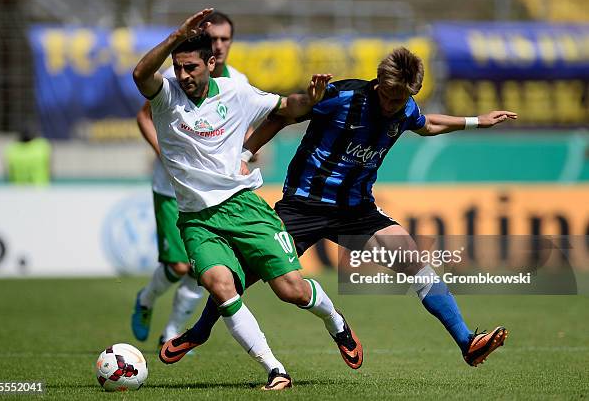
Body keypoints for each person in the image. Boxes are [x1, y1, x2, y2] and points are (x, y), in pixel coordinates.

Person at [172, 47, 516, 368]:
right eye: (389, 96)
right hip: (304, 206)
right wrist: (245, 154)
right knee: (244, 273)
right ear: (379, 82)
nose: (394, 105)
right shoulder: (341, 97)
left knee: (415, 262)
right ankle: (200, 331)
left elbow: (427, 125)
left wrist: (476, 121)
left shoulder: (405, 107)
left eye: (402, 99)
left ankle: (467, 343)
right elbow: (282, 116)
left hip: (356, 211)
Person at [132, 8, 362, 390]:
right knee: (222, 288)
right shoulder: (166, 95)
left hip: (244, 208)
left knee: (292, 290)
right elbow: (141, 74)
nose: (184, 75)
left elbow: (285, 110)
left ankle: (336, 323)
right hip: (198, 220)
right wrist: (175, 37)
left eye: (191, 67)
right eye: (179, 67)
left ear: (211, 62)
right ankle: (275, 369)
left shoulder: (236, 91)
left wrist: (311, 98)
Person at [131, 11, 252, 347]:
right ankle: (145, 299)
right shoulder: (179, 73)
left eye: (224, 39)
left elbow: (249, 125)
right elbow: (144, 116)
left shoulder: (238, 83)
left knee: (205, 270)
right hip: (171, 188)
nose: (219, 44)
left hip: (215, 194)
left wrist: (244, 156)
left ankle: (171, 330)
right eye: (213, 38)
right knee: (178, 266)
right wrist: (164, 153)